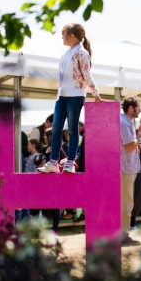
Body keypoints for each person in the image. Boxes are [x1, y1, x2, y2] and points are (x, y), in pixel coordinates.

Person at [38, 23, 105, 174]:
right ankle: (53, 161)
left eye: (64, 34)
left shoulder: (82, 53)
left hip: (75, 96)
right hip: (62, 96)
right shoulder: (66, 53)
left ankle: (70, 162)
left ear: (72, 36)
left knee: (72, 130)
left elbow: (87, 75)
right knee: (56, 129)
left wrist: (95, 93)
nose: (62, 37)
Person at [120, 96, 141, 245]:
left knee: (127, 203)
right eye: (138, 107)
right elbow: (130, 147)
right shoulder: (123, 123)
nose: (140, 110)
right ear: (131, 108)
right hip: (125, 169)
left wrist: (139, 144)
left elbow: (130, 146)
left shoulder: (126, 122)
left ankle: (123, 234)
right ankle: (123, 236)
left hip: (128, 168)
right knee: (127, 204)